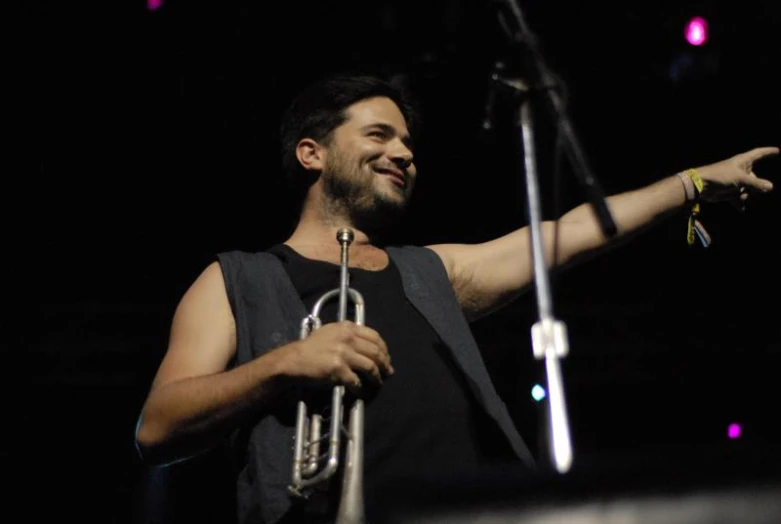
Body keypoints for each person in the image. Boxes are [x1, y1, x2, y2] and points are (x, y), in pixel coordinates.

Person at [134, 73, 777, 524]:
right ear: (313, 153)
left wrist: (693, 183)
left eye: (409, 144)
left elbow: (572, 232)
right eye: (380, 136)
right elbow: (157, 427)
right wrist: (286, 363)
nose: (404, 153)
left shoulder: (427, 271)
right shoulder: (234, 279)